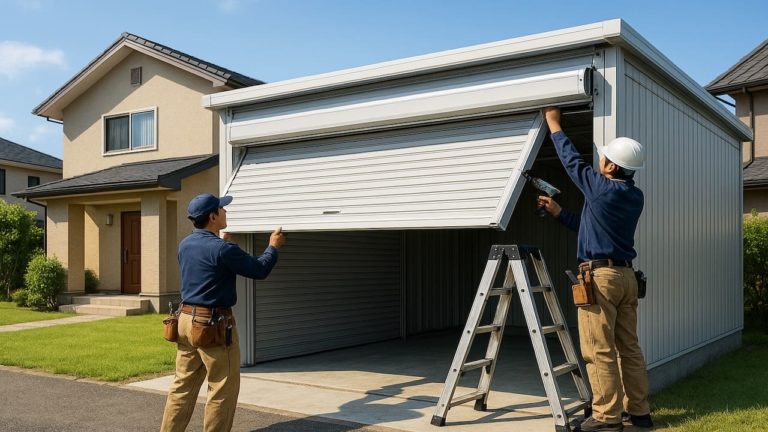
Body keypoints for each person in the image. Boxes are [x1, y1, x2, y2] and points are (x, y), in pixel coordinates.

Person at [538, 107, 652, 432]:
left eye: (603, 158)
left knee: (598, 349)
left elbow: (571, 161)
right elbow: (592, 226)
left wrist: (553, 122)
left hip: (600, 280)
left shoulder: (601, 188)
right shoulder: (634, 196)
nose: (599, 161)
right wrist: (560, 212)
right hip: (627, 279)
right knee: (628, 348)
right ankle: (639, 414)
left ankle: (606, 418)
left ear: (612, 166)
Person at [160, 193, 286, 432]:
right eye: (223, 209)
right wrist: (273, 247)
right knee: (221, 389)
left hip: (185, 322)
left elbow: (206, 265)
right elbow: (259, 270)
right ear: (213, 216)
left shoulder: (185, 244)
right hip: (212, 326)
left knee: (181, 387)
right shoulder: (223, 249)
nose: (226, 212)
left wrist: (222, 241)